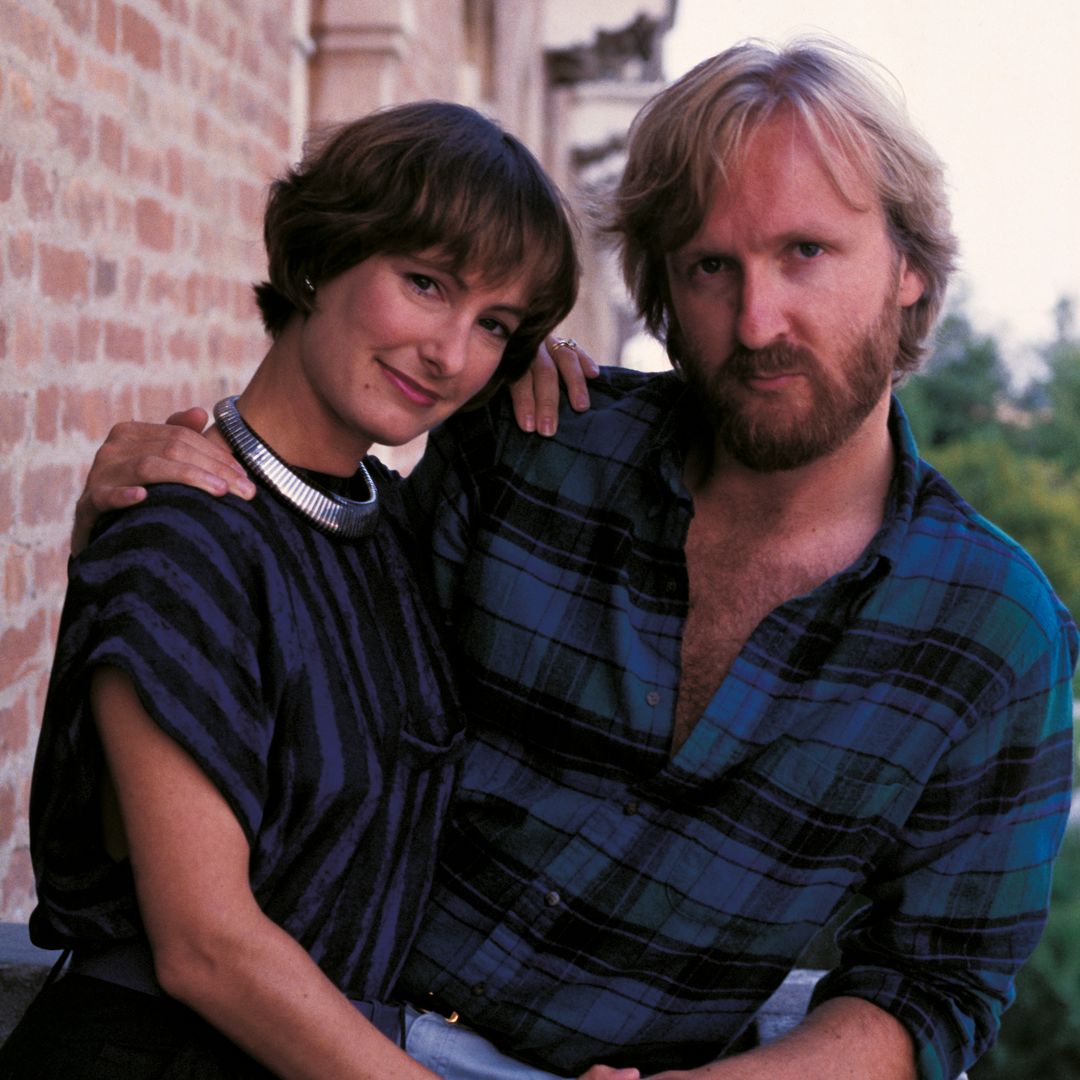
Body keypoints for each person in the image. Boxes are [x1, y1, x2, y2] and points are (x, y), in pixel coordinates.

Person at [61, 37, 1078, 1080]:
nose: (757, 320)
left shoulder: (996, 634)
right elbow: (288, 627)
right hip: (306, 1036)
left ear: (910, 269)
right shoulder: (532, 445)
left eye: (806, 252)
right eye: (711, 266)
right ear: (661, 289)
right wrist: (142, 524)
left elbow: (938, 986)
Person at [0, 101, 585, 1080]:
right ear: (318, 259)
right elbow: (206, 948)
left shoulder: (392, 540)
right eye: (426, 283)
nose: (451, 353)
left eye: (495, 324)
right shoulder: (180, 530)